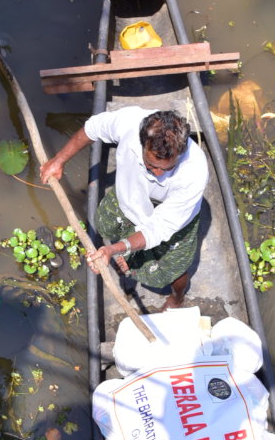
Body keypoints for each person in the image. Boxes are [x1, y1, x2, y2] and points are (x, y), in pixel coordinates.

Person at [39, 107, 208, 309]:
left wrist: (113, 249)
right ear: (142, 142)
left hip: (172, 216)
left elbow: (158, 229)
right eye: (151, 165)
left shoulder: (195, 171)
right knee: (106, 223)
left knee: (174, 267)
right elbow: (92, 129)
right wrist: (58, 161)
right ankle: (127, 253)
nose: (158, 174)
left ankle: (177, 297)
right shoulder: (129, 122)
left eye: (167, 168)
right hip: (131, 194)